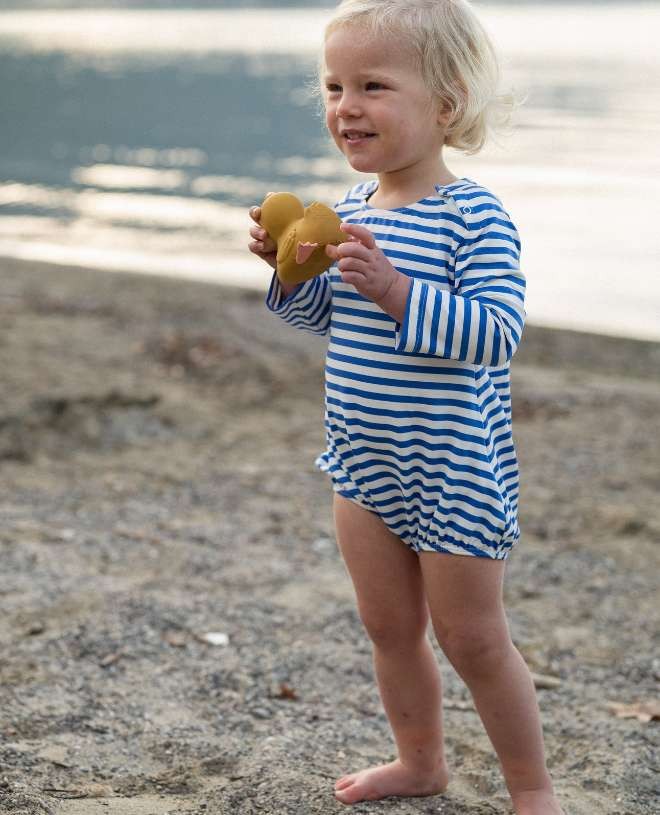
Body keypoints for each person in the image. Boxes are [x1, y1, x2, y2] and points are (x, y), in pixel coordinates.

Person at [248, 1, 564, 812]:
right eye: (333, 86)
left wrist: (397, 290)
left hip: (455, 469)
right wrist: (291, 272)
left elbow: (497, 332)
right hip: (362, 463)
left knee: (473, 638)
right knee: (389, 630)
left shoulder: (474, 216)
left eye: (373, 85)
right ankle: (420, 762)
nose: (345, 106)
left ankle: (531, 787)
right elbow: (325, 321)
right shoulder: (347, 213)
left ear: (446, 105)